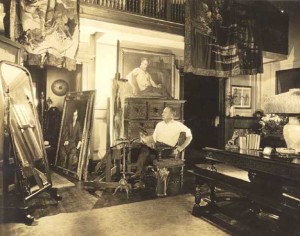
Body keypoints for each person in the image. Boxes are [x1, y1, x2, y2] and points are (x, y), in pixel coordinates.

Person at [134, 106, 193, 177]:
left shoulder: (178, 125)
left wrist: (181, 147)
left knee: (147, 155)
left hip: (167, 149)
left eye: (164, 112)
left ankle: (147, 177)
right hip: (157, 147)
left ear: (171, 115)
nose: (162, 114)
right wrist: (145, 139)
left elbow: (189, 136)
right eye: (162, 112)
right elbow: (154, 138)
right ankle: (139, 175)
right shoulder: (159, 124)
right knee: (143, 149)